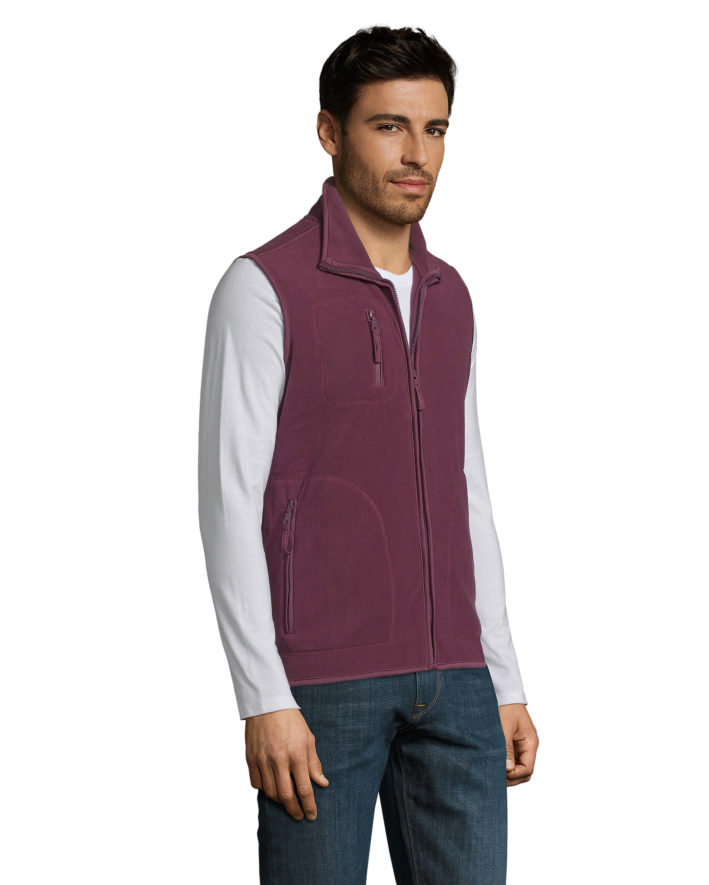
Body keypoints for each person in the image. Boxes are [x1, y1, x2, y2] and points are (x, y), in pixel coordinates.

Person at [198, 24, 539, 884]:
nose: (416, 153)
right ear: (330, 131)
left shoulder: (451, 293)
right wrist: (262, 695)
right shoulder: (263, 287)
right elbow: (231, 500)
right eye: (389, 126)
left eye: (434, 129)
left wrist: (502, 675)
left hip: (457, 678)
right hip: (321, 687)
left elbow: (467, 488)